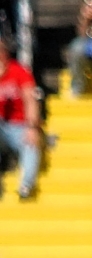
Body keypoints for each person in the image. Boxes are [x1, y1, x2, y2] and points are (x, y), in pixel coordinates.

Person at [0, 40, 43, 200]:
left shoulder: (19, 72)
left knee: (30, 143)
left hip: (19, 126)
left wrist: (32, 127)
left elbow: (30, 100)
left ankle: (26, 185)